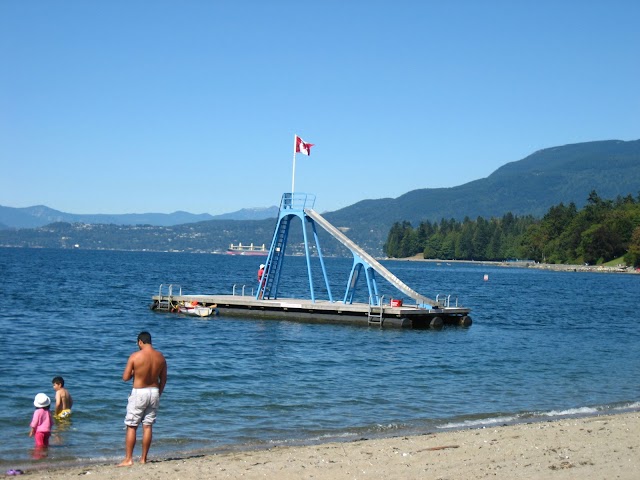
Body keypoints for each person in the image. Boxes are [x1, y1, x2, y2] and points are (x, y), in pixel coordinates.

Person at [118, 331, 167, 467]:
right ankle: (143, 458)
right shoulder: (161, 357)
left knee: (132, 426)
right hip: (154, 392)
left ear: (140, 342)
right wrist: (159, 393)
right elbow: (163, 379)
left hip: (139, 392)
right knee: (147, 426)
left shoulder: (135, 356)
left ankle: (128, 459)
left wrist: (135, 371)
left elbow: (125, 377)